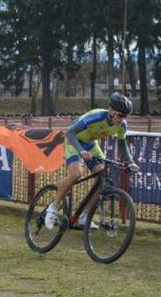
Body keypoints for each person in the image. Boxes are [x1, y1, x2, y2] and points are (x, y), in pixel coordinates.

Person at [44, 93, 140, 230]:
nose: (122, 119)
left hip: (90, 144)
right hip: (74, 140)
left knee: (103, 179)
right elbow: (69, 133)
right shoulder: (96, 117)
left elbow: (122, 144)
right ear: (111, 111)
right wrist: (81, 151)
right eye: (120, 115)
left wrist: (130, 162)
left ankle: (84, 216)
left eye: (125, 116)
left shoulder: (122, 125)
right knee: (76, 173)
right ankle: (53, 208)